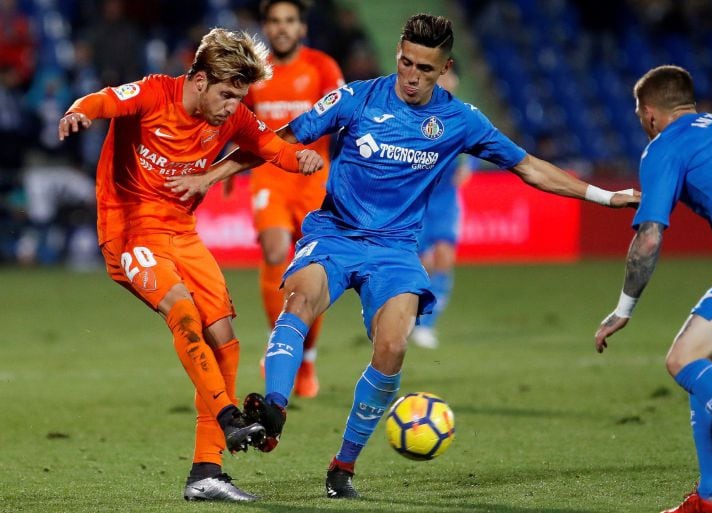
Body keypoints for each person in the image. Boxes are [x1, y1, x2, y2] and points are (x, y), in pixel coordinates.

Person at [167, 13, 638, 499]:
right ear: (397, 54)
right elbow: (279, 140)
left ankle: (342, 467)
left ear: (446, 68)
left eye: (425, 70)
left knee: (392, 348)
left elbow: (529, 168)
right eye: (406, 63)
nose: (412, 76)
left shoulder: (460, 121)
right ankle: (274, 409)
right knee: (299, 302)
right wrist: (209, 177)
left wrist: (604, 197)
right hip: (336, 234)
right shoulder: (357, 98)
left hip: (395, 251)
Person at [58, 27, 323, 502]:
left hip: (182, 234)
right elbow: (103, 100)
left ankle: (207, 472)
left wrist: (298, 156)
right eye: (225, 94)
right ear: (198, 80)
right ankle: (227, 416)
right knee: (181, 311)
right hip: (130, 233)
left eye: (239, 96)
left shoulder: (233, 115)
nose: (231, 106)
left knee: (224, 335)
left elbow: (269, 146)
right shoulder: (155, 93)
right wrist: (79, 111)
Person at [594, 65, 712, 513]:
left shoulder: (664, 145)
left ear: (649, 113)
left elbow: (649, 236)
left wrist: (624, 308)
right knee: (699, 359)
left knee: (684, 359)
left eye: (639, 114)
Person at [240, 0, 345, 398]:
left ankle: (308, 357)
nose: (281, 28)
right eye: (274, 21)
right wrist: (229, 166)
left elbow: (344, 118)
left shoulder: (322, 67)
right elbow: (240, 120)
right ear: (266, 27)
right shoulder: (253, 71)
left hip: (314, 173)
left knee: (312, 268)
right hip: (270, 172)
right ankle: (282, 345)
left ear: (302, 28)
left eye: (289, 21)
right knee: (273, 250)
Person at [408, 65, 472, 349]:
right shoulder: (415, 111)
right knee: (423, 264)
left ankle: (426, 325)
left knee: (445, 258)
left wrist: (468, 166)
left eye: (450, 75)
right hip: (417, 199)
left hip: (446, 199)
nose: (446, 81)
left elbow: (475, 147)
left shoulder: (463, 114)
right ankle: (405, 315)